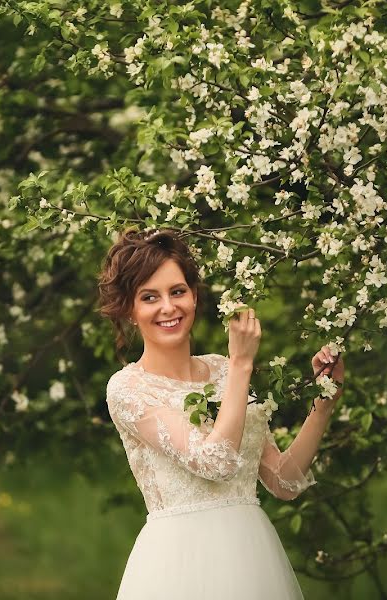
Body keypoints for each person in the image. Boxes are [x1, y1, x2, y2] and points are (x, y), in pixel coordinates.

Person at [97, 227, 345, 600]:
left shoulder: (224, 371)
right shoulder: (129, 389)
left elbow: (283, 481)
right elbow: (214, 463)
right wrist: (243, 363)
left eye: (177, 291)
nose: (168, 307)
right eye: (150, 297)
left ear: (194, 296)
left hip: (252, 558)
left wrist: (323, 404)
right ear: (131, 311)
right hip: (178, 566)